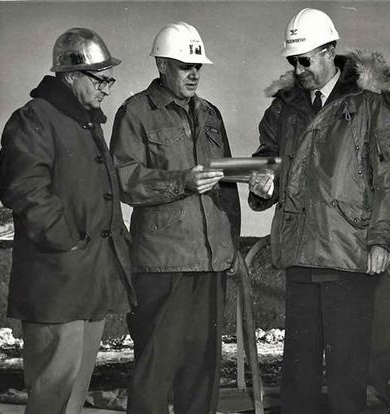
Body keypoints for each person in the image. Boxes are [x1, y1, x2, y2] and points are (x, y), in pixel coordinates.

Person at [248, 8, 390, 414]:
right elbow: (269, 160)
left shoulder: (373, 104)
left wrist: (381, 241)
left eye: (306, 60)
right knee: (297, 374)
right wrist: (264, 183)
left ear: (330, 51)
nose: (299, 70)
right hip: (300, 254)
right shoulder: (284, 108)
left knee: (346, 374)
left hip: (348, 254)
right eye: (293, 62)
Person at [0, 28, 133, 414]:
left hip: (87, 281)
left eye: (109, 78)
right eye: (100, 78)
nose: (107, 87)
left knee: (73, 396)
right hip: (56, 282)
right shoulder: (35, 118)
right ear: (71, 75)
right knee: (52, 394)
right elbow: (23, 188)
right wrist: (68, 241)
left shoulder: (86, 122)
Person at [110, 22, 240, 414]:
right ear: (163, 65)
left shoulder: (211, 114)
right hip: (164, 265)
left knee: (202, 371)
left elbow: (226, 186)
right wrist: (179, 181)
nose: (195, 73)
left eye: (198, 66)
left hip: (210, 264)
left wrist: (230, 246)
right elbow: (124, 179)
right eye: (185, 65)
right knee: (155, 370)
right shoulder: (136, 112)